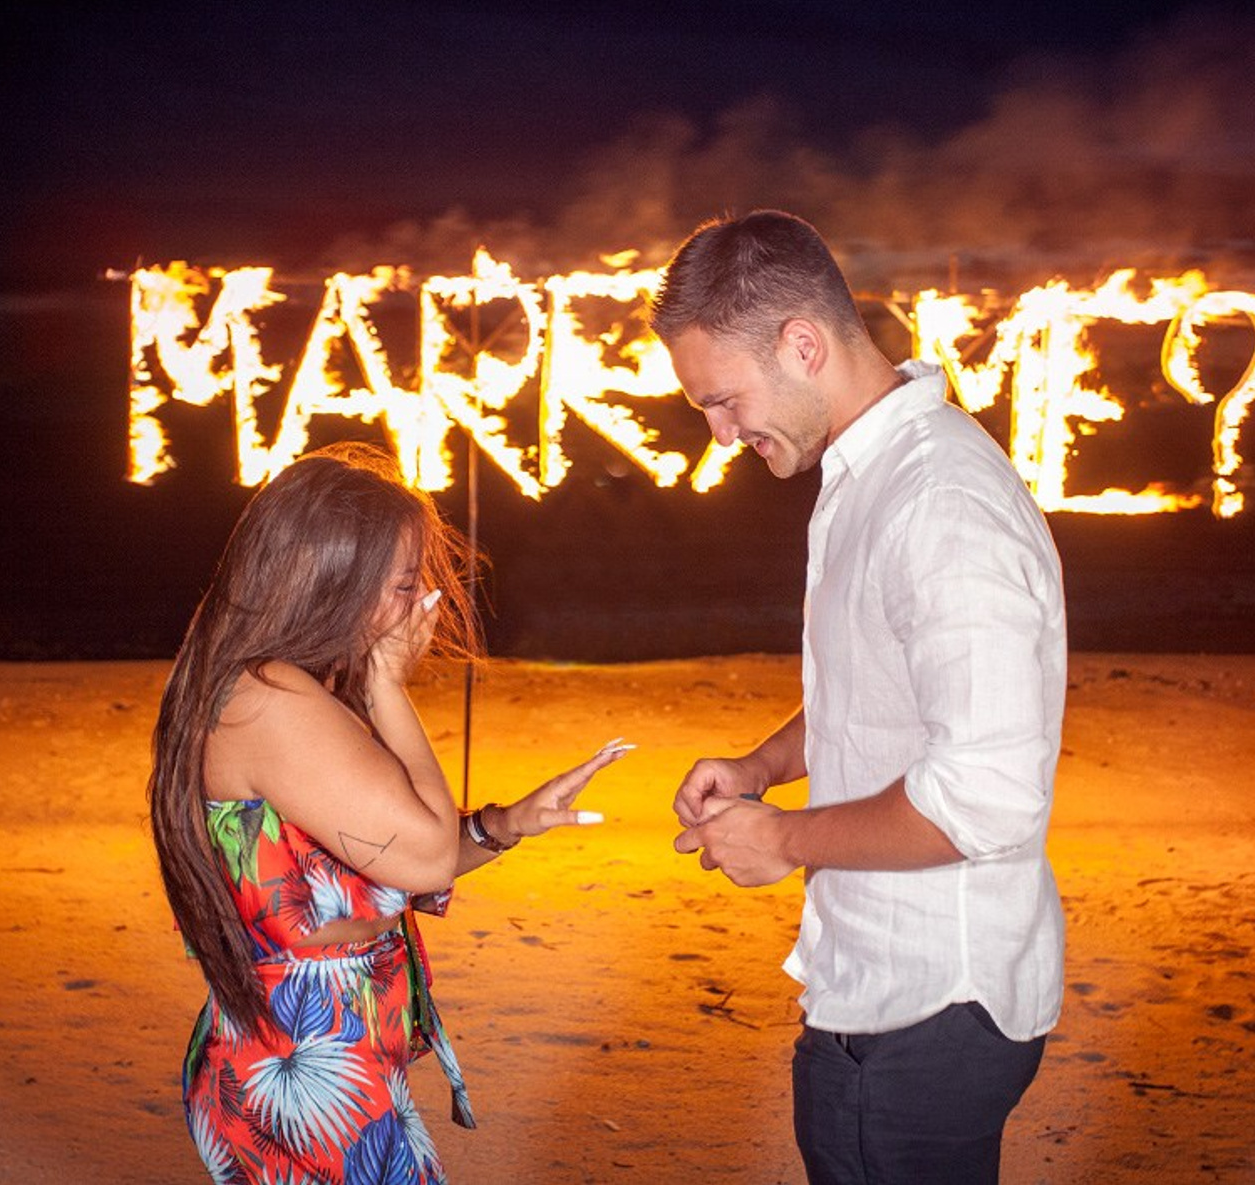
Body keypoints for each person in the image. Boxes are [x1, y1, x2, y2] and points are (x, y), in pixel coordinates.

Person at [650, 210, 1066, 1184]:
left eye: (721, 399)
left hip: (927, 1001)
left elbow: (984, 797)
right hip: (877, 983)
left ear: (801, 343)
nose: (716, 434)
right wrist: (760, 765)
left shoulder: (938, 503)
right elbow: (872, 689)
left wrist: (780, 837)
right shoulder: (867, 475)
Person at [148, 439, 627, 1184]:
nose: (422, 604)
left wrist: (502, 826)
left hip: (313, 1046)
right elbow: (426, 857)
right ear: (333, 579)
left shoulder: (267, 685)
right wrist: (386, 686)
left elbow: (390, 856)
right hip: (308, 1061)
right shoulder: (272, 704)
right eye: (405, 585)